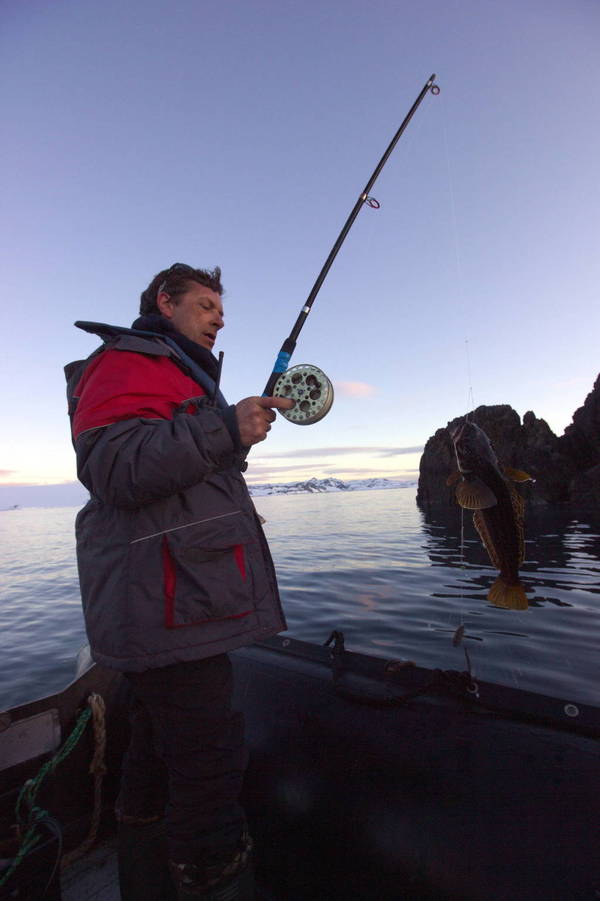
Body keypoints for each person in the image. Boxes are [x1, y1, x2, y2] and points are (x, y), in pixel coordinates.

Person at [65, 263, 294, 900]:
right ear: (165, 302)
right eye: (205, 304)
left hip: (172, 602)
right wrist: (223, 427)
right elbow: (113, 466)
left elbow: (172, 471)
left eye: (222, 309)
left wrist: (232, 436)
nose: (219, 318)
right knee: (207, 770)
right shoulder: (129, 359)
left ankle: (143, 880)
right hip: (168, 607)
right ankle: (211, 879)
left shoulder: (175, 372)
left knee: (153, 756)